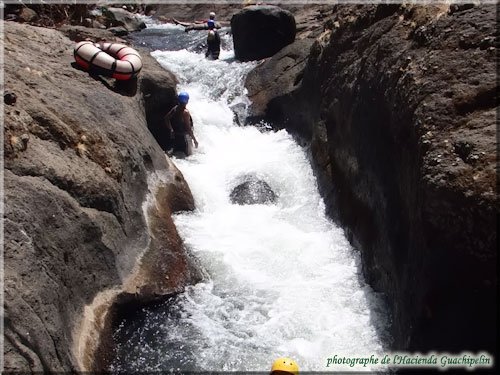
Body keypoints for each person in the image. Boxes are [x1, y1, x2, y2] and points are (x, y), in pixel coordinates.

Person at [165, 92, 198, 156]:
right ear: (187, 101)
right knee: (189, 156)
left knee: (178, 155)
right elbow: (188, 129)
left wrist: (171, 129)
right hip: (185, 138)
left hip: (176, 136)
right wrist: (194, 140)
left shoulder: (175, 108)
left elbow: (166, 118)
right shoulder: (185, 112)